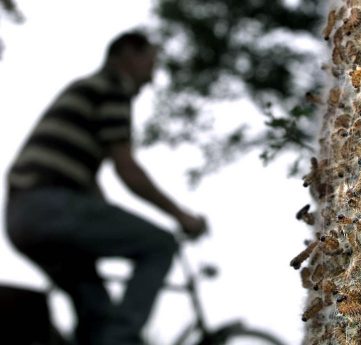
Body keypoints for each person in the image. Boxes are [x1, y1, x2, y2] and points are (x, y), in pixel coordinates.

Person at [4, 30, 208, 345]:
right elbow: (128, 171)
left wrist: (110, 218)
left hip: (23, 216)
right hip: (48, 205)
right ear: (127, 53)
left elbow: (93, 188)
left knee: (97, 314)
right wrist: (182, 217)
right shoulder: (112, 88)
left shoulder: (87, 90)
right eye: (149, 64)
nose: (152, 78)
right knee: (160, 244)